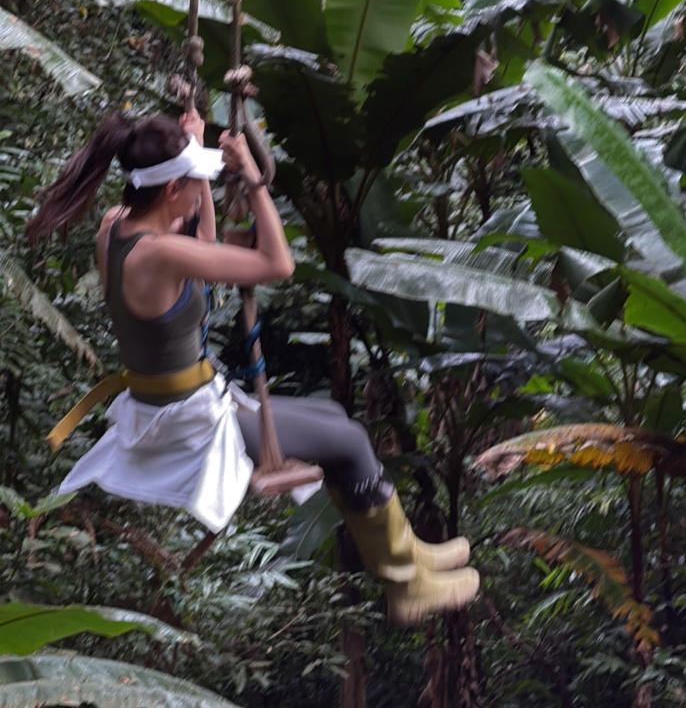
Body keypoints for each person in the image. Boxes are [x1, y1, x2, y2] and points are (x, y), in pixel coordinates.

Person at [26, 107, 480, 625]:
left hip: (169, 401)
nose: (204, 188)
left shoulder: (116, 227)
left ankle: (410, 556)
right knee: (352, 443)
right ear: (173, 189)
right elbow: (277, 265)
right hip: (189, 422)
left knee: (334, 420)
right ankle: (407, 586)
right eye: (195, 181)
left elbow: (199, 241)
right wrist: (255, 181)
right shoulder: (158, 255)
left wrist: (194, 148)